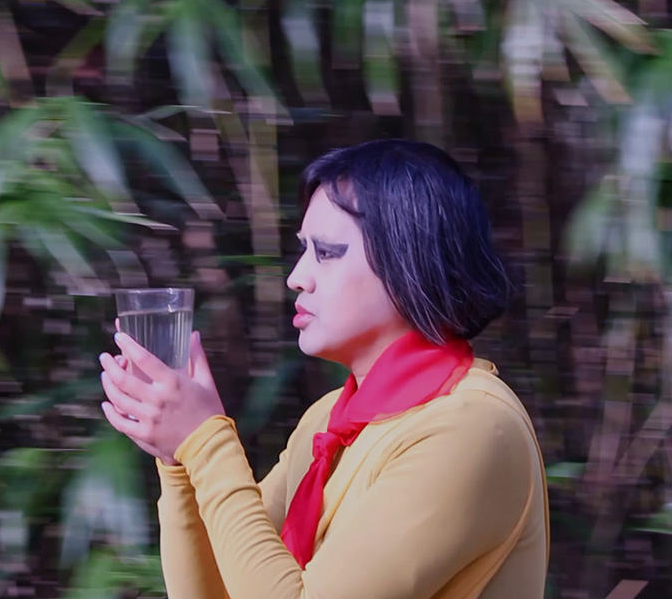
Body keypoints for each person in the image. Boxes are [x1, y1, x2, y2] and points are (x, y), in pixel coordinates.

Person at [98, 139, 550, 599]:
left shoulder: (471, 428)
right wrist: (179, 460)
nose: (297, 276)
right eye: (303, 251)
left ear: (407, 259)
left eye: (327, 253)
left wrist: (207, 443)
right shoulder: (330, 420)